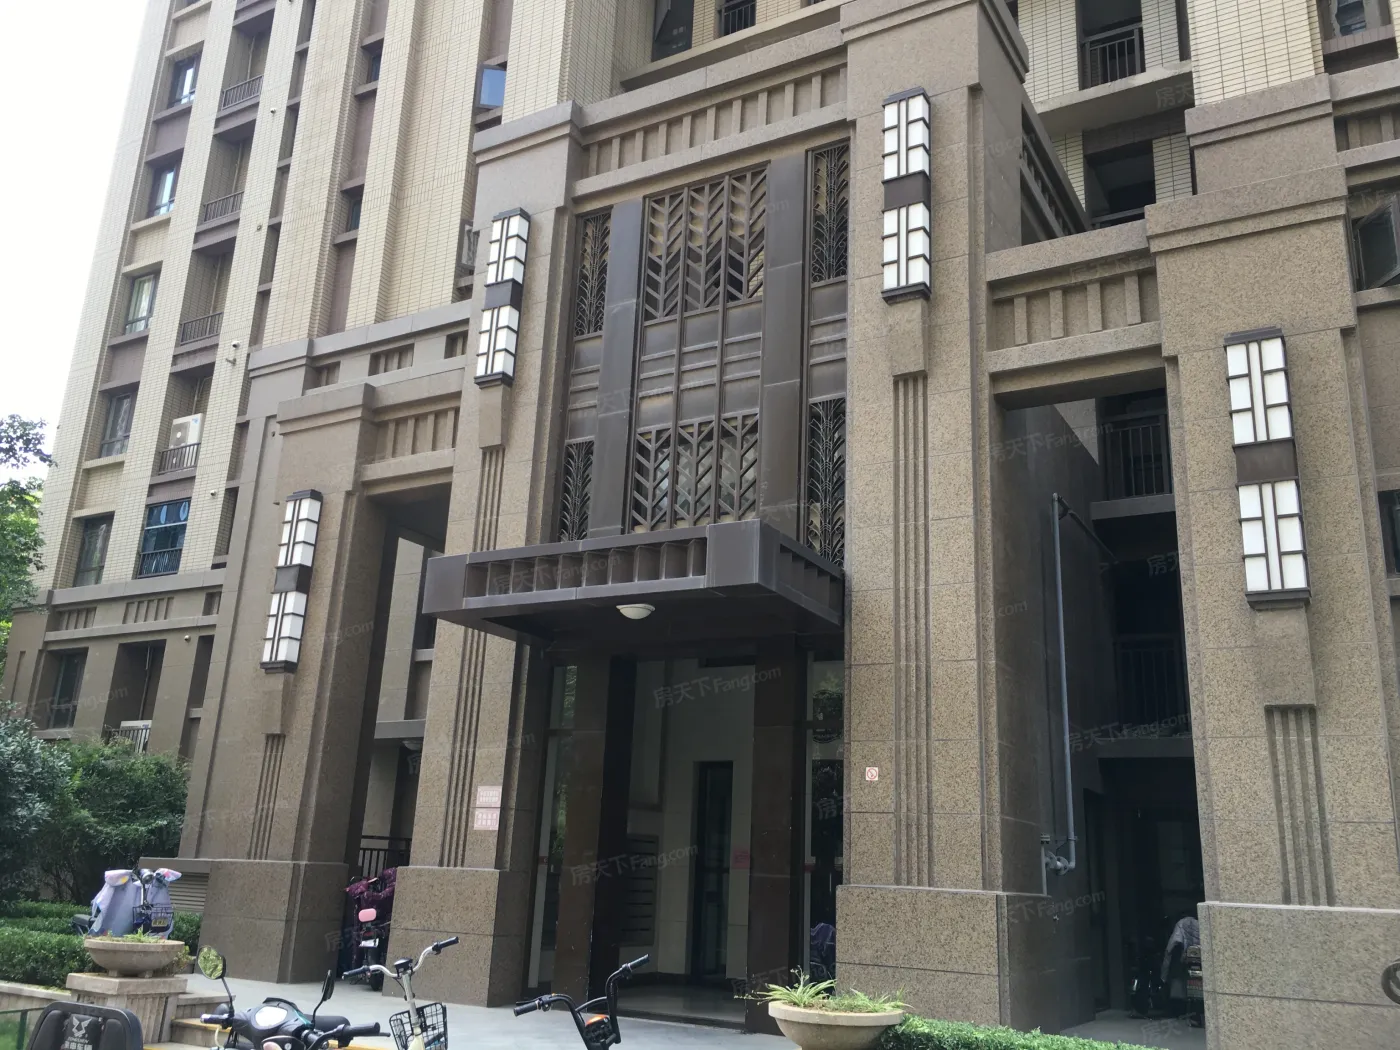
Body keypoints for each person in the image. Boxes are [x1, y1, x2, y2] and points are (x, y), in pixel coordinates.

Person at [1161, 912, 1200, 1016]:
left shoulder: (1181, 924)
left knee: (1178, 984)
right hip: (1198, 959)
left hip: (1182, 961)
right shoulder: (1199, 924)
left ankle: (1178, 1010)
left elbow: (1173, 943)